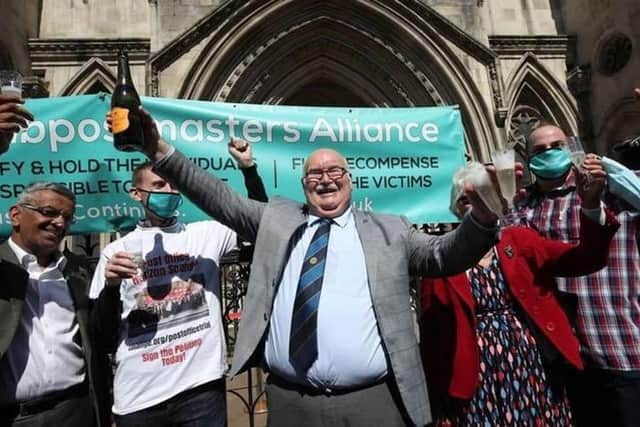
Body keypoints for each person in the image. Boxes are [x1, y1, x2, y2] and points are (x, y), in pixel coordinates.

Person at [107, 108, 501, 427]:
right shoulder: (278, 219)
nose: (326, 180)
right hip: (292, 402)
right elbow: (216, 195)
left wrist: (482, 216)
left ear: (350, 180)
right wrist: (158, 148)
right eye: (315, 174)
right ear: (303, 183)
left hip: (375, 402)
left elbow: (444, 255)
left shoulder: (390, 228)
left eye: (335, 173)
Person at [420, 163, 619, 426]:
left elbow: (586, 259)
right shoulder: (441, 259)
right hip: (474, 377)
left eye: (485, 195)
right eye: (467, 199)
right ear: (457, 207)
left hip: (533, 366)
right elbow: (434, 335)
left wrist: (592, 206)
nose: (477, 204)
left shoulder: (520, 240)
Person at [89, 138, 267, 426]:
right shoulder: (115, 252)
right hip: (140, 399)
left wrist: (248, 170)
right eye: (159, 185)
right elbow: (103, 335)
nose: (169, 191)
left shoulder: (207, 234)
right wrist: (110, 287)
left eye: (173, 184)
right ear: (136, 193)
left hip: (201, 392)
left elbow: (259, 224)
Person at [517, 121, 640, 427]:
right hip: (565, 362)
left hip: (623, 348)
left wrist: (608, 171)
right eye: (540, 150)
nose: (548, 154)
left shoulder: (615, 187)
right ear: (527, 157)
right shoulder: (521, 206)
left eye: (556, 147)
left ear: (572, 147)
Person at [0, 182, 109, 427]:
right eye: (49, 212)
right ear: (16, 215)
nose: (60, 223)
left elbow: (100, 336)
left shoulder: (78, 270)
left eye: (67, 218)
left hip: (76, 411)